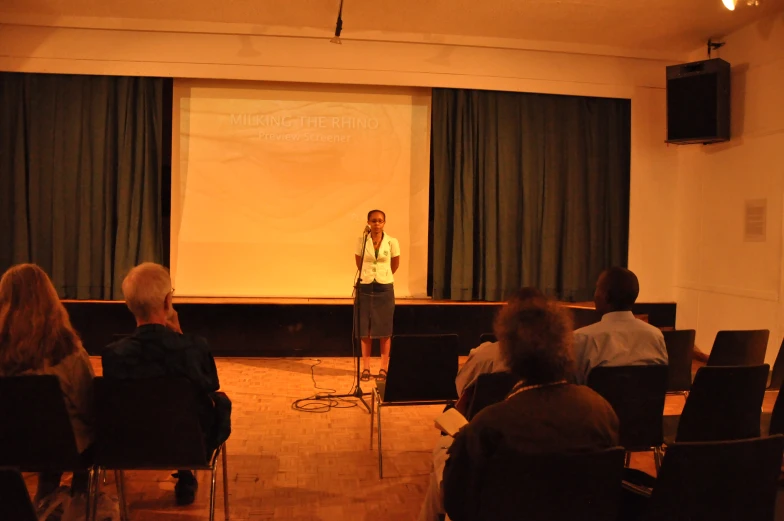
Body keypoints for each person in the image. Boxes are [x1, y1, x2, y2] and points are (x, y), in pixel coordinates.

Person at [442, 295, 620, 521]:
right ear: (566, 346)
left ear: (508, 353)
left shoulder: (489, 426)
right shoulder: (601, 410)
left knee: (443, 452)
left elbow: (458, 505)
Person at [102, 262, 231, 506]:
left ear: (129, 304)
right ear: (167, 302)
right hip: (189, 444)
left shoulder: (113, 355)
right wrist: (179, 335)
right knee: (211, 404)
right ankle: (186, 472)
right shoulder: (193, 347)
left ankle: (185, 475)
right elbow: (210, 385)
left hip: (130, 447)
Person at [0, 264, 116, 520]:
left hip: (8, 448)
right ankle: (77, 501)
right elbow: (88, 408)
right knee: (81, 432)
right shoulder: (69, 354)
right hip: (66, 449)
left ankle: (43, 501)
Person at [418, 287, 545, 521]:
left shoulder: (487, 356)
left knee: (443, 449)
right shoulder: (588, 404)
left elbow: (459, 389)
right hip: (543, 476)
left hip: (485, 457)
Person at [571, 267, 668, 385]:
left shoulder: (581, 338)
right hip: (643, 404)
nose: (594, 294)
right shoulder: (656, 336)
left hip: (596, 403)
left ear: (605, 296)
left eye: (597, 288)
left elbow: (573, 387)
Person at [354, 209, 400, 382]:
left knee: (384, 330)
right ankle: (365, 368)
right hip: (365, 286)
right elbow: (359, 262)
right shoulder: (362, 240)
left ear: (384, 223)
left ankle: (383, 368)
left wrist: (383, 276)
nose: (376, 224)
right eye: (373, 221)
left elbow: (395, 263)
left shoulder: (392, 242)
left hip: (385, 287)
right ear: (368, 222)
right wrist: (368, 275)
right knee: (365, 329)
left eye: (380, 221)